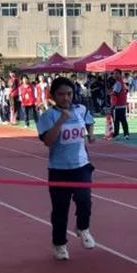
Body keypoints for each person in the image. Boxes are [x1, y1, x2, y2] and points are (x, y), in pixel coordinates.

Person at [37, 77, 96, 260]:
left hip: (81, 166)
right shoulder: (48, 116)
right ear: (53, 96)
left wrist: (91, 135)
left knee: (84, 200)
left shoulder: (81, 110)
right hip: (59, 169)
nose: (66, 98)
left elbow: (89, 122)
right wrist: (61, 121)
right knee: (60, 209)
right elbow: (48, 141)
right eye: (61, 94)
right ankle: (59, 244)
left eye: (69, 94)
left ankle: (82, 228)